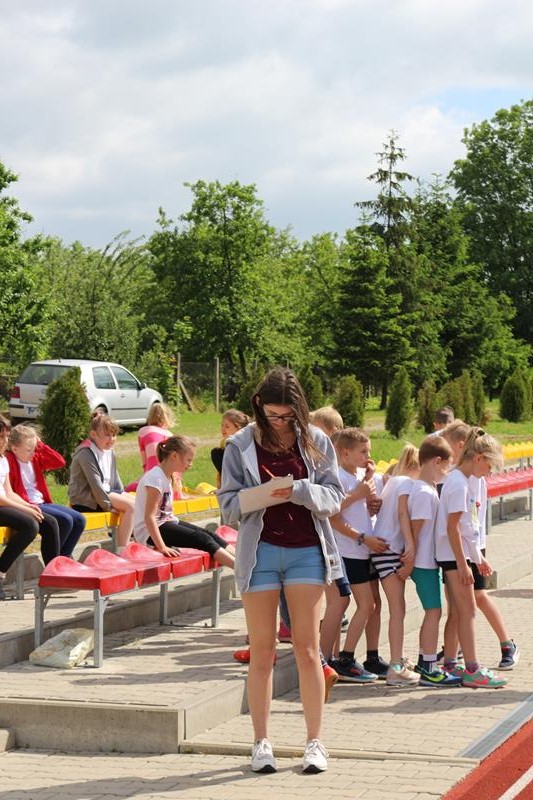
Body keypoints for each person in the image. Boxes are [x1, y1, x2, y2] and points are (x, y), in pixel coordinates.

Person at [218, 367, 344, 775]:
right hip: (259, 553)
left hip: (307, 551)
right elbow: (228, 506)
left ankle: (315, 743)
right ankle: (261, 742)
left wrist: (298, 490)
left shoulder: (316, 439)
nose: (280, 422)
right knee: (263, 651)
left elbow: (335, 497)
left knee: (307, 650)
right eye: (273, 414)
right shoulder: (240, 444)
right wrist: (260, 496)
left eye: (288, 416)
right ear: (258, 405)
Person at [441, 422, 519, 673]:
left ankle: (454, 661)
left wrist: (475, 557)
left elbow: (467, 524)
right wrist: (466, 561)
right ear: (478, 458)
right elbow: (456, 527)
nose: (489, 472)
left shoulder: (466, 479)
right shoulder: (460, 482)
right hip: (459, 553)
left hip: (465, 551)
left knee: (464, 609)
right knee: (467, 611)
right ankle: (470, 667)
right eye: (489, 466)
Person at [324, 427, 389, 683]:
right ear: (345, 453)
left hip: (364, 550)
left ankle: (364, 657)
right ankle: (345, 658)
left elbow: (362, 512)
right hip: (348, 550)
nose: (368, 456)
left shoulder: (361, 476)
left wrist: (372, 504)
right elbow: (332, 515)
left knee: (373, 604)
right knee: (363, 604)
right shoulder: (338, 477)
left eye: (368, 451)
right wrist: (362, 536)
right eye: (363, 452)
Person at [406, 436, 461, 687]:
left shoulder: (427, 489)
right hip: (423, 562)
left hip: (427, 561)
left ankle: (425, 662)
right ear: (437, 461)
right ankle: (428, 666)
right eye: (447, 466)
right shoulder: (424, 492)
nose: (447, 472)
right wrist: (410, 561)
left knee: (434, 611)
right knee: (433, 611)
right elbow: (415, 532)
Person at [133, 434, 235, 567]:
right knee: (202, 539)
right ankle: (242, 571)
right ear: (174, 456)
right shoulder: (155, 478)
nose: (190, 464)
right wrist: (162, 547)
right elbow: (149, 517)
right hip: (149, 532)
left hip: (164, 523)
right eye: (188, 460)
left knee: (208, 534)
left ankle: (243, 562)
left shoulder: (166, 476)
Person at [371, 444, 420, 686]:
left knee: (396, 608)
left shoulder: (394, 481)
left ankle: (397, 660)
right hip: (389, 549)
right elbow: (403, 514)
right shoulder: (408, 483)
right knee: (397, 609)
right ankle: (396, 665)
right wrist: (410, 546)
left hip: (382, 547)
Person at [7, 424, 85, 559]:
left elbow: (59, 462)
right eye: (28, 450)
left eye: (34, 449)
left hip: (42, 503)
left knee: (79, 520)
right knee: (65, 520)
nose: (33, 453)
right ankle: (54, 561)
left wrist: (41, 446)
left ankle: (64, 558)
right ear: (14, 449)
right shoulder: (9, 460)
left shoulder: (35, 458)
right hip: (27, 505)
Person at [68, 413, 135, 552]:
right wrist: (108, 506)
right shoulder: (85, 453)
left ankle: (138, 544)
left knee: (138, 503)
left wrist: (122, 493)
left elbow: (115, 478)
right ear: (93, 434)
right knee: (131, 507)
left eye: (114, 435)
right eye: (107, 435)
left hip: (105, 493)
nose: (112, 439)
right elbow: (95, 485)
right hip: (87, 500)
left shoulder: (109, 451)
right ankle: (122, 551)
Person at [0, 416, 40, 599]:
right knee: (29, 525)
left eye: (7, 436)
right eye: (1, 437)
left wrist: (29, 505)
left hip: (3, 504)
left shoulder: (3, 459)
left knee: (34, 522)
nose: (5, 441)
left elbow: (9, 492)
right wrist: (26, 510)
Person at [125, 403, 185, 498]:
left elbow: (145, 464)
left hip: (152, 478)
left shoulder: (143, 432)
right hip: (170, 479)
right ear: (167, 417)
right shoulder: (170, 435)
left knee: (127, 489)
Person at [210, 409, 251, 487]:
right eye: (222, 425)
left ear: (239, 428)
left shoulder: (244, 445)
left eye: (227, 426)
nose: (222, 429)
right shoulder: (223, 443)